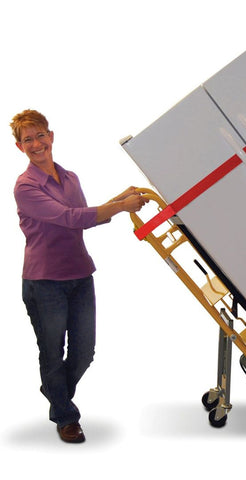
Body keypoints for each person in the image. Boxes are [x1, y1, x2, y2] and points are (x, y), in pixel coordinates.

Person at [11, 109, 147, 443]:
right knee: (53, 353)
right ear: (20, 147)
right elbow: (71, 218)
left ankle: (55, 390)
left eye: (40, 135)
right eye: (27, 139)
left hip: (80, 274)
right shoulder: (25, 187)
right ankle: (66, 417)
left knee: (84, 351)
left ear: (51, 136)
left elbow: (88, 218)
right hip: (45, 282)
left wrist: (119, 200)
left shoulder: (69, 177)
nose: (36, 144)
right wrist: (122, 205)